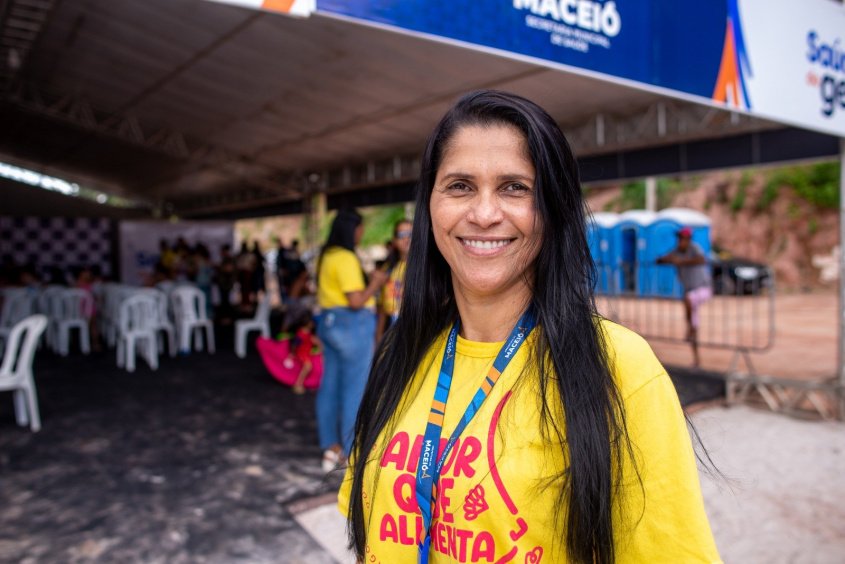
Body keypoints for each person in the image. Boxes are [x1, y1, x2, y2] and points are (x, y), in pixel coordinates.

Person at [339, 91, 720, 563]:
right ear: (430, 207)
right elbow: (369, 527)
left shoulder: (619, 366)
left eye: (515, 187)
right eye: (459, 185)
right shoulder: (403, 348)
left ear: (553, 208)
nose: (483, 213)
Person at [316, 209, 388, 473]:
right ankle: (350, 452)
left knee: (329, 387)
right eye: (360, 228)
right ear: (352, 229)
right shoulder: (346, 258)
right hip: (351, 325)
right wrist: (376, 283)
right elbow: (356, 300)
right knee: (355, 390)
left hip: (329, 322)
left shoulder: (327, 256)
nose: (362, 233)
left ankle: (330, 447)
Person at [657, 227, 713, 367]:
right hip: (690, 292)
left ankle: (690, 328)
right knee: (694, 324)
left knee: (688, 299)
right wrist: (669, 259)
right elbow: (660, 260)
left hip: (702, 289)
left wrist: (681, 262)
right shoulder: (676, 251)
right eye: (679, 238)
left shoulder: (694, 248)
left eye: (682, 238)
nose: (680, 241)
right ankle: (696, 358)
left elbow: (701, 259)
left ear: (688, 240)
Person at [376, 219, 411, 342]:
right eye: (402, 235)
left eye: (411, 234)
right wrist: (379, 336)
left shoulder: (426, 267)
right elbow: (382, 306)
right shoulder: (388, 269)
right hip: (393, 328)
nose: (407, 239)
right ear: (395, 241)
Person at [285, 311, 322, 395]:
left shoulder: (308, 333)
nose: (313, 324)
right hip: (302, 354)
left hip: (307, 352)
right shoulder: (301, 334)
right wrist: (292, 353)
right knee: (308, 366)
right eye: (312, 322)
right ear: (308, 323)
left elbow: (312, 340)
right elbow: (295, 344)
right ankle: (298, 383)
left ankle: (314, 382)